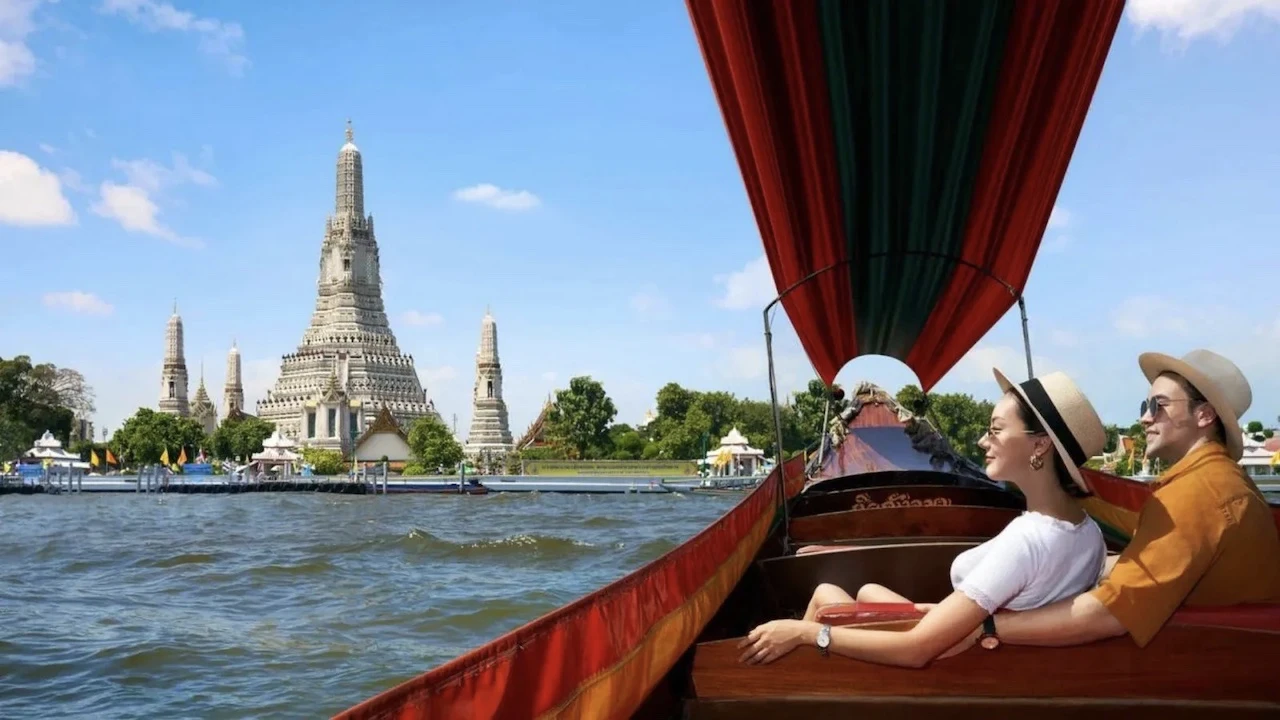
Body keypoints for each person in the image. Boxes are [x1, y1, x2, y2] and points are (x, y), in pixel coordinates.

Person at [738, 369, 1108, 668]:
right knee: (868, 591)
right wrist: (941, 611)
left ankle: (794, 681)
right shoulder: (1088, 532)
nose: (982, 440)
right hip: (992, 655)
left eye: (995, 429)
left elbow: (915, 650)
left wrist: (803, 634)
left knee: (824, 596)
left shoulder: (1027, 540)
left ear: (1039, 444)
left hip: (953, 665)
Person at [950, 349, 1280, 653]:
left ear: (1205, 415)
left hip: (1211, 668)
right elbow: (1149, 544)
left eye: (1157, 406)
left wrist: (981, 625)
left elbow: (1108, 615)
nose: (1145, 419)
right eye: (1143, 406)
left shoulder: (1200, 495)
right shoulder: (1215, 482)